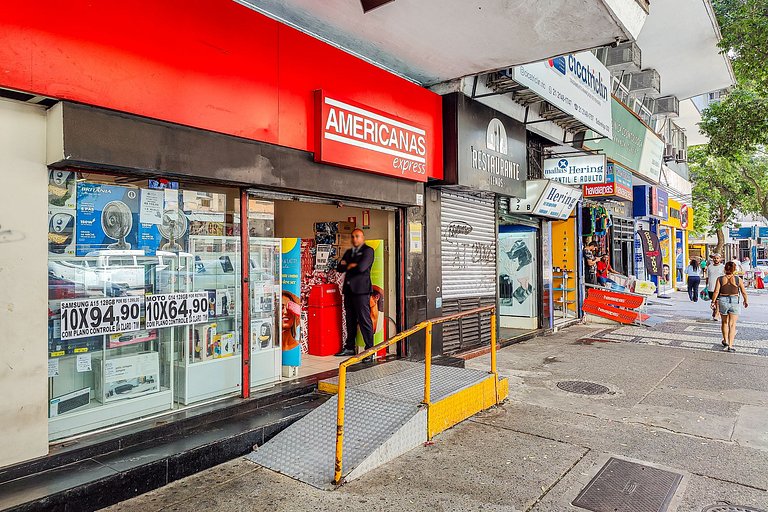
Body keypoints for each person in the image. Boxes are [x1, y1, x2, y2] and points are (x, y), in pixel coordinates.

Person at [335, 228, 375, 362]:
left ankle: (369, 351)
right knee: (350, 320)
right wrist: (350, 265)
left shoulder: (368, 251)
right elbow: (339, 267)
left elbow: (361, 267)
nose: (354, 239)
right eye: (352, 236)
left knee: (364, 320)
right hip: (349, 290)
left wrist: (349, 264)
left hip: (361, 291)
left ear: (363, 238)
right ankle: (349, 347)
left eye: (357, 236)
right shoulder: (349, 252)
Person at [710, 261, 749, 352]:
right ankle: (730, 345)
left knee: (724, 322)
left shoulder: (720, 279)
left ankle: (725, 340)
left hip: (723, 300)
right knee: (732, 324)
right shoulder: (738, 279)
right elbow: (743, 292)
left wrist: (713, 301)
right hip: (734, 300)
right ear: (734, 269)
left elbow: (716, 291)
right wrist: (745, 300)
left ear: (725, 269)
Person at [705, 254, 725, 321]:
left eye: (717, 258)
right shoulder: (709, 267)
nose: (716, 259)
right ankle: (714, 311)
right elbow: (707, 277)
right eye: (714, 258)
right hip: (711, 286)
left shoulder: (722, 267)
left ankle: (717, 313)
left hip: (719, 287)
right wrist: (706, 285)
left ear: (720, 259)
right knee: (713, 300)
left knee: (717, 301)